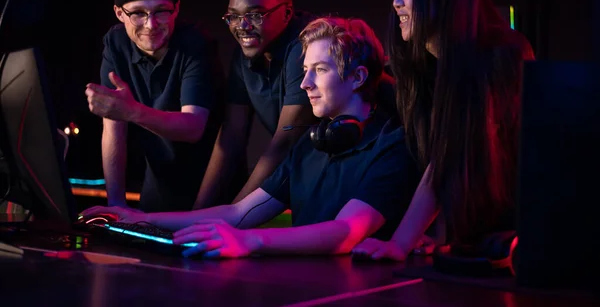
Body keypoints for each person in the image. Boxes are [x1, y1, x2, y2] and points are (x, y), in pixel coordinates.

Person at [82, 17, 420, 259]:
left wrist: (252, 241)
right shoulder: (311, 144)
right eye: (305, 71)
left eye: (319, 70)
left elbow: (345, 233)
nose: (305, 85)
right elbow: (238, 214)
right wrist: (138, 218)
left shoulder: (390, 147)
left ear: (358, 76)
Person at [352, 0, 535, 261]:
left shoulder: (502, 53)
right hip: (470, 239)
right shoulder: (420, 69)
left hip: (515, 236)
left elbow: (451, 153)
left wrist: (399, 243)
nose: (396, 3)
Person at [85, 0, 224, 212]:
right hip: (157, 184)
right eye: (138, 13)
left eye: (161, 11)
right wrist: (115, 204)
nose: (150, 24)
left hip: (210, 187)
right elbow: (113, 129)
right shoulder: (116, 43)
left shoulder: (196, 43)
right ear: (119, 13)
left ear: (176, 9)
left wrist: (131, 111)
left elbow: (193, 127)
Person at [192, 0, 317, 209]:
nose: (242, 26)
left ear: (287, 12)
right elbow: (231, 136)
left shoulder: (307, 45)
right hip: (300, 177)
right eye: (234, 16)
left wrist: (233, 212)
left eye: (255, 15)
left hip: (345, 177)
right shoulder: (247, 53)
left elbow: (283, 143)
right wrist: (199, 210)